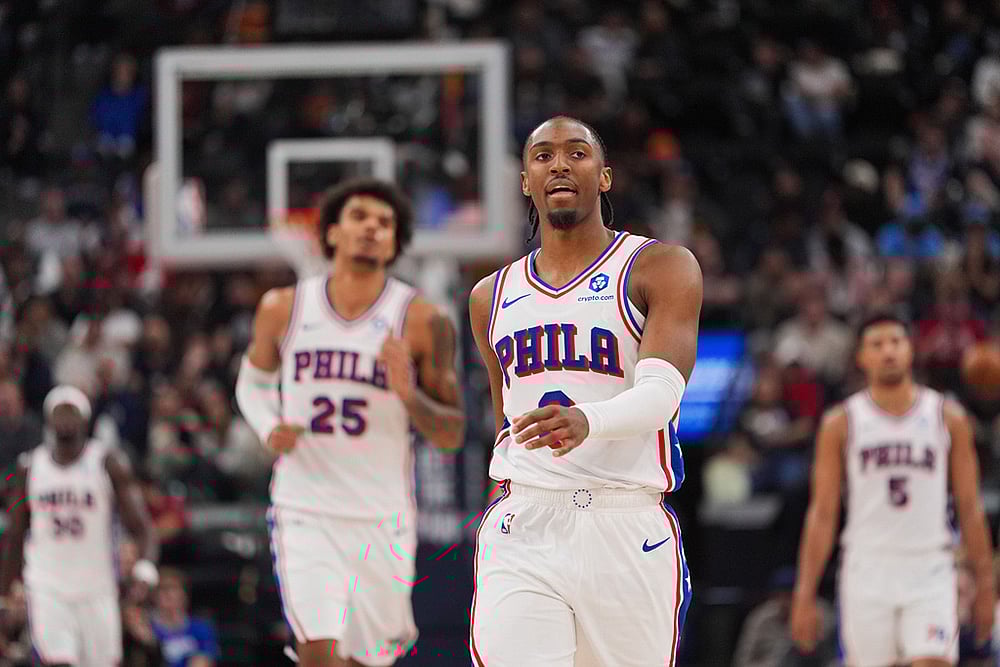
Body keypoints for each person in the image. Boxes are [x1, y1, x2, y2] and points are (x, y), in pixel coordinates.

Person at [467, 115, 702, 665]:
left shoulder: (659, 266)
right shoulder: (489, 296)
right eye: (543, 156)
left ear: (604, 176)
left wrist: (588, 420)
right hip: (524, 521)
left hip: (626, 522)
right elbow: (506, 421)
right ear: (526, 180)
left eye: (576, 153)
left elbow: (663, 394)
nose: (559, 165)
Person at [235, 177, 465, 667]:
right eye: (360, 217)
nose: (371, 228)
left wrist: (410, 395)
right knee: (317, 651)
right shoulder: (284, 307)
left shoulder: (424, 320)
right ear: (332, 232)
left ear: (396, 242)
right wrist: (268, 425)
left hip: (382, 514)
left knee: (367, 659)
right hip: (304, 507)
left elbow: (452, 433)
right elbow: (251, 383)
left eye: (384, 223)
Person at [790, 313, 996, 666]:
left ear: (910, 350)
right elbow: (822, 514)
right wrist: (804, 593)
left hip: (930, 566)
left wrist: (985, 583)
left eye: (896, 342)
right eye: (877, 344)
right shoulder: (841, 422)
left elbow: (969, 506)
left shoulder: (949, 418)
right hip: (866, 568)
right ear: (861, 357)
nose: (888, 351)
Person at [0, 385, 159, 667]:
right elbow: (15, 535)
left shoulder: (107, 463)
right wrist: (4, 589)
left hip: (97, 586)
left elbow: (142, 526)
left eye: (71, 411)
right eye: (59, 412)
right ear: (48, 419)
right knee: (59, 661)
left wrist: (145, 568)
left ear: (85, 419)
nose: (65, 418)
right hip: (47, 586)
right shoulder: (29, 468)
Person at [150, 568, 218, 667]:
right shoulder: (149, 630)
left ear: (184, 595)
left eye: (174, 588)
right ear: (154, 596)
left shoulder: (200, 628)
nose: (169, 594)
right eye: (163, 589)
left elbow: (205, 660)